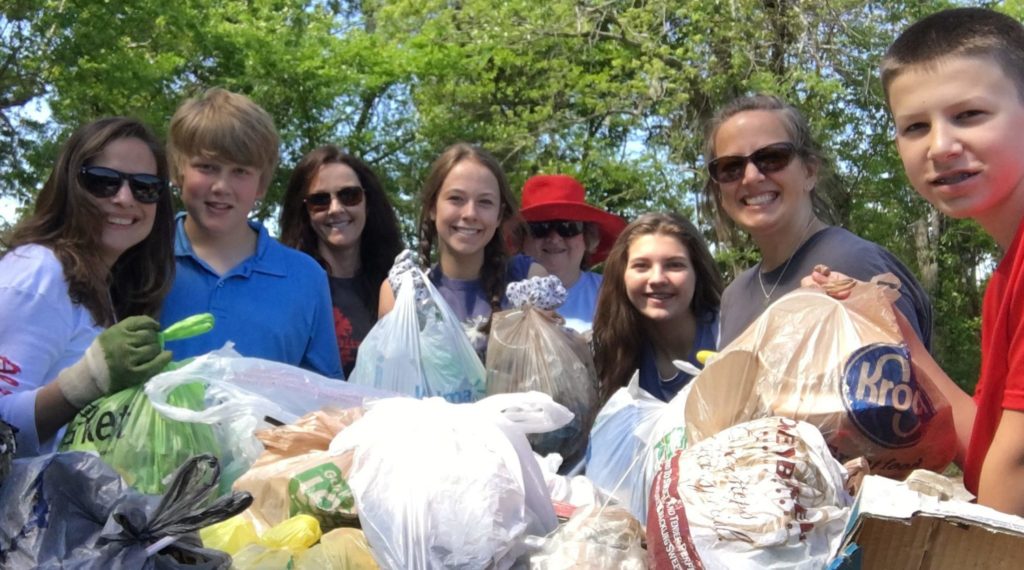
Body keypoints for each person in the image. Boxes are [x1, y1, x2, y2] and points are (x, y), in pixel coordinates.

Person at [876, 6, 1024, 515]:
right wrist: (898, 337)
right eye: (915, 126)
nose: (940, 146)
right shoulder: (1006, 275)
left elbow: (1018, 467)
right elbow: (988, 445)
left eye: (969, 115)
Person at [0, 117, 175, 456]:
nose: (125, 198)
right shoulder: (38, 273)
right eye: (103, 182)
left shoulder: (100, 284)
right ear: (70, 186)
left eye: (145, 187)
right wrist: (88, 379)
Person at [701, 93, 934, 348]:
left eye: (771, 158)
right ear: (719, 191)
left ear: (809, 171)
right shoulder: (734, 297)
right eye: (730, 167)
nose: (751, 176)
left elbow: (907, 381)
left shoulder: (854, 265)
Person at [159, 88, 342, 378]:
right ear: (178, 171)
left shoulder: (305, 278)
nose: (221, 186)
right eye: (206, 167)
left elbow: (323, 396)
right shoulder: (143, 258)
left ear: (261, 185)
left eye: (240, 171)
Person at [379, 143, 545, 357]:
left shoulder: (529, 280)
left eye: (485, 202)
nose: (470, 213)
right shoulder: (400, 293)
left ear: (499, 215)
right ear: (432, 207)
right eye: (456, 199)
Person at [279, 146, 403, 377]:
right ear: (304, 211)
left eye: (349, 196)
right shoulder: (287, 288)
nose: (336, 209)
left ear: (368, 201)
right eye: (320, 200)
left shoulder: (397, 284)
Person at [592, 213, 722, 403]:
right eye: (641, 266)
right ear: (622, 275)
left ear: (698, 272)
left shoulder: (730, 334)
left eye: (674, 265)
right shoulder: (609, 350)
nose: (657, 279)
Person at [507, 174, 626, 334]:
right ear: (521, 238)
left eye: (568, 227)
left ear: (587, 237)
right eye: (540, 228)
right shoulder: (496, 292)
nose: (555, 238)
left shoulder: (613, 294)